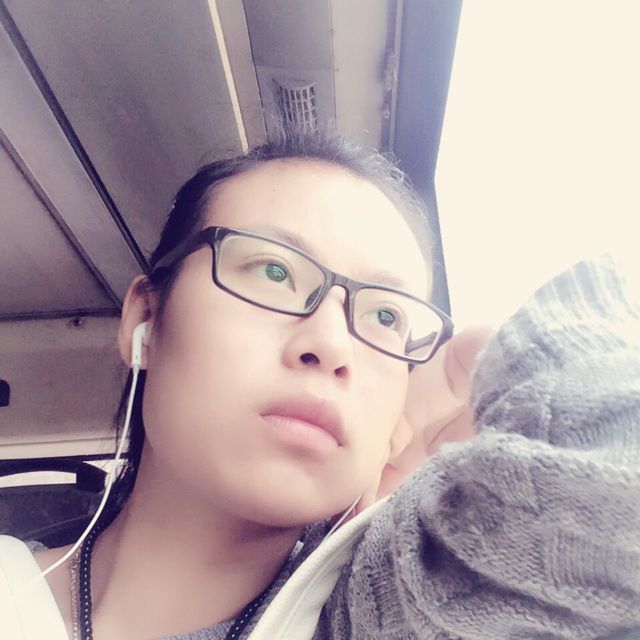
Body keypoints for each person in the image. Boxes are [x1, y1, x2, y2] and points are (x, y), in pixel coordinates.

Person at [2, 129, 639, 639]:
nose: (332, 343)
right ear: (145, 319)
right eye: (273, 271)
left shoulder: (394, 617)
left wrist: (528, 352)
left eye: (385, 315)